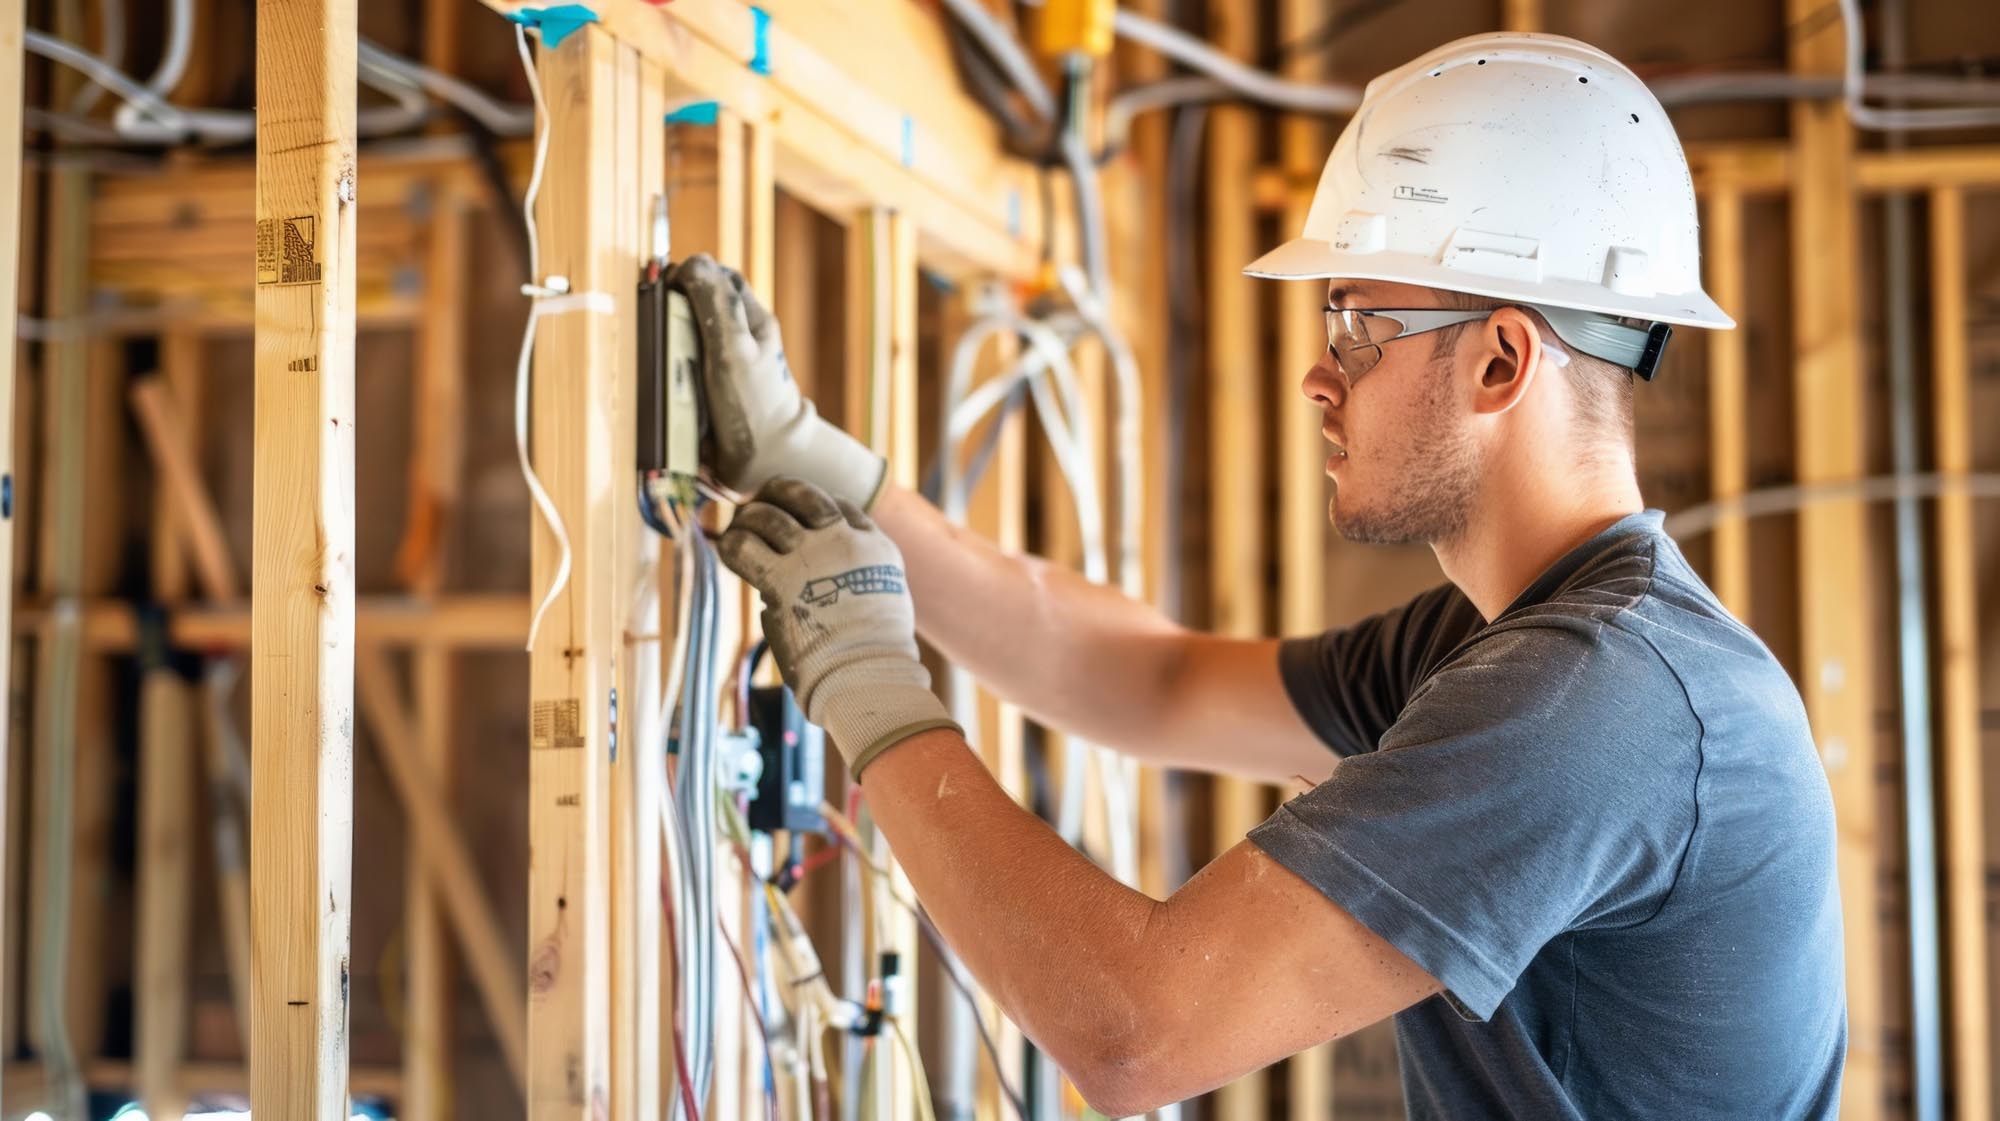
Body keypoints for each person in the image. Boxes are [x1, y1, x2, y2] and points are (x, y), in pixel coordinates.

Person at [668, 31, 1845, 1121]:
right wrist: (816, 465)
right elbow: (1149, 680)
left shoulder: (1592, 700)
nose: (1317, 378)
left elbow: (1133, 1033)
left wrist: (868, 682)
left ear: (1499, 361)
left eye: (1356, 326)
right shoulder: (1513, 649)